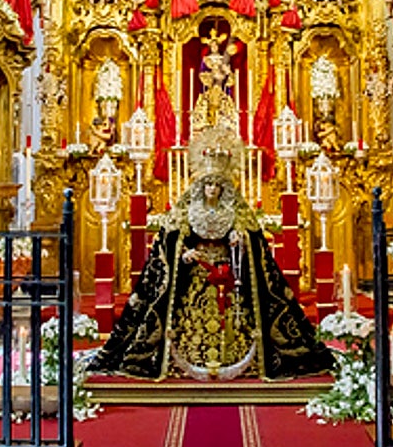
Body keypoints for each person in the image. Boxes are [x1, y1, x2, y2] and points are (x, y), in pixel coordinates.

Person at [90, 126, 333, 380]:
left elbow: (255, 247)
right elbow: (169, 244)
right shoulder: (186, 211)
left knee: (235, 312)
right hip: (196, 275)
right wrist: (184, 256)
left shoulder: (237, 213)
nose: (212, 190)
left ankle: (238, 355)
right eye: (208, 185)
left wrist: (240, 243)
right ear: (201, 186)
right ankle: (188, 356)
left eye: (218, 185)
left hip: (228, 274)